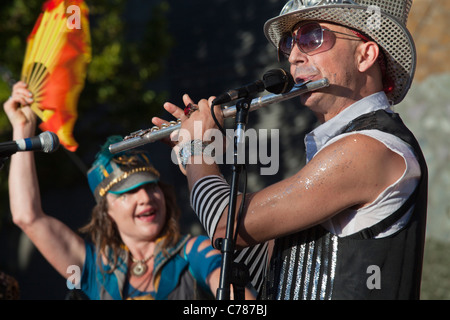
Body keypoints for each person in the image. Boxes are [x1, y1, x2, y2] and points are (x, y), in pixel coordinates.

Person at [152, 0, 428, 300]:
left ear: (365, 55)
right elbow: (272, 267)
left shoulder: (369, 147)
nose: (293, 56)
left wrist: (197, 150)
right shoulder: (340, 148)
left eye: (312, 37)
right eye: (289, 42)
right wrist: (193, 156)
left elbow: (224, 225)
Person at [3, 81, 240, 300]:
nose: (146, 198)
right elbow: (27, 217)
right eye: (128, 193)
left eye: (150, 187)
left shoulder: (193, 252)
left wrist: (203, 153)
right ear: (106, 211)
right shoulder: (93, 269)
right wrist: (23, 129)